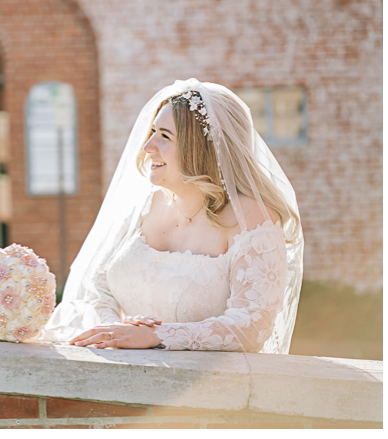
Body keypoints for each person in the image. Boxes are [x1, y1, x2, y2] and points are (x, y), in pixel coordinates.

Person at [44, 79, 303, 352]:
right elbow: (99, 285)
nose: (148, 147)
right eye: (153, 131)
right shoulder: (146, 205)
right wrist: (116, 333)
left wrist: (158, 335)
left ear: (200, 148)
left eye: (165, 136)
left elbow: (252, 325)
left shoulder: (251, 217)